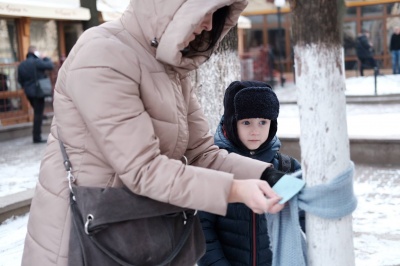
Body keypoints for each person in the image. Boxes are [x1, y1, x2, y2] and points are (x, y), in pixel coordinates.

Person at [21, 1, 286, 265]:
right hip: (85, 242)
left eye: (216, 15)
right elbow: (143, 169)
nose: (208, 24)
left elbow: (201, 153)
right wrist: (237, 191)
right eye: (204, 11)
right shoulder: (102, 55)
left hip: (139, 237)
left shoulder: (171, 68)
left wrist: (267, 173)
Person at [197, 81, 303, 266]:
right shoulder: (214, 169)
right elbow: (202, 231)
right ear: (232, 123)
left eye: (263, 122)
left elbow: (304, 224)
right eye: (246, 122)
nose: (255, 131)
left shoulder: (288, 168)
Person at [18, 45, 54, 143]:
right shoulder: (37, 62)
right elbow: (50, 65)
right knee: (38, 114)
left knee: (37, 113)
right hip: (38, 92)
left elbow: (20, 80)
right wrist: (44, 57)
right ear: (35, 53)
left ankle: (36, 135)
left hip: (29, 93)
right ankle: (36, 137)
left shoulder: (22, 65)